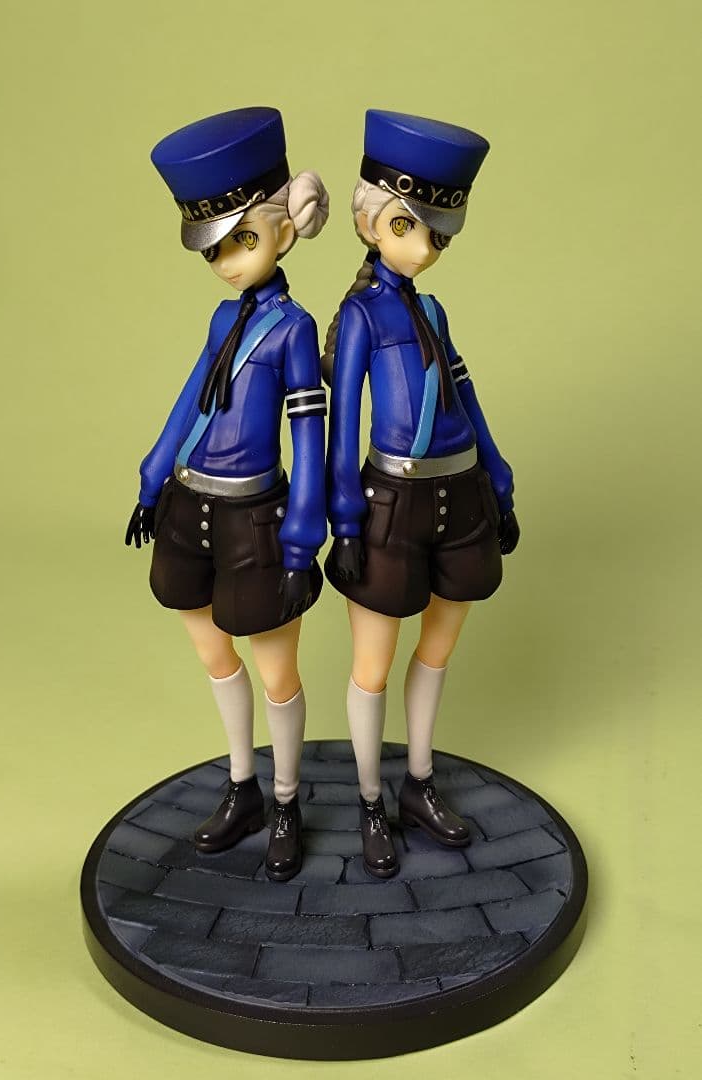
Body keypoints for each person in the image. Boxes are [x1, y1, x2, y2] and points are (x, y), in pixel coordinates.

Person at [126, 108, 328, 882]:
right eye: (216, 249)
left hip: (254, 516)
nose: (228, 262)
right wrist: (153, 477)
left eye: (242, 239)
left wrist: (303, 535)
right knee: (213, 653)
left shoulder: (294, 330)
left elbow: (308, 434)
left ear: (285, 228)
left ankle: (286, 800)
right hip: (189, 504)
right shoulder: (221, 318)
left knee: (275, 668)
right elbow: (192, 402)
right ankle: (243, 785)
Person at [324, 110, 520, 879]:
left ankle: (418, 779)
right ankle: (371, 798)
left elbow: (467, 398)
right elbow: (343, 422)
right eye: (408, 226)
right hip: (392, 502)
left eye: (437, 234)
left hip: (460, 493)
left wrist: (498, 477)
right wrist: (345, 516)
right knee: (373, 663)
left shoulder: (433, 311)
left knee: (438, 650)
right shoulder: (361, 315)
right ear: (371, 222)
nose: (424, 248)